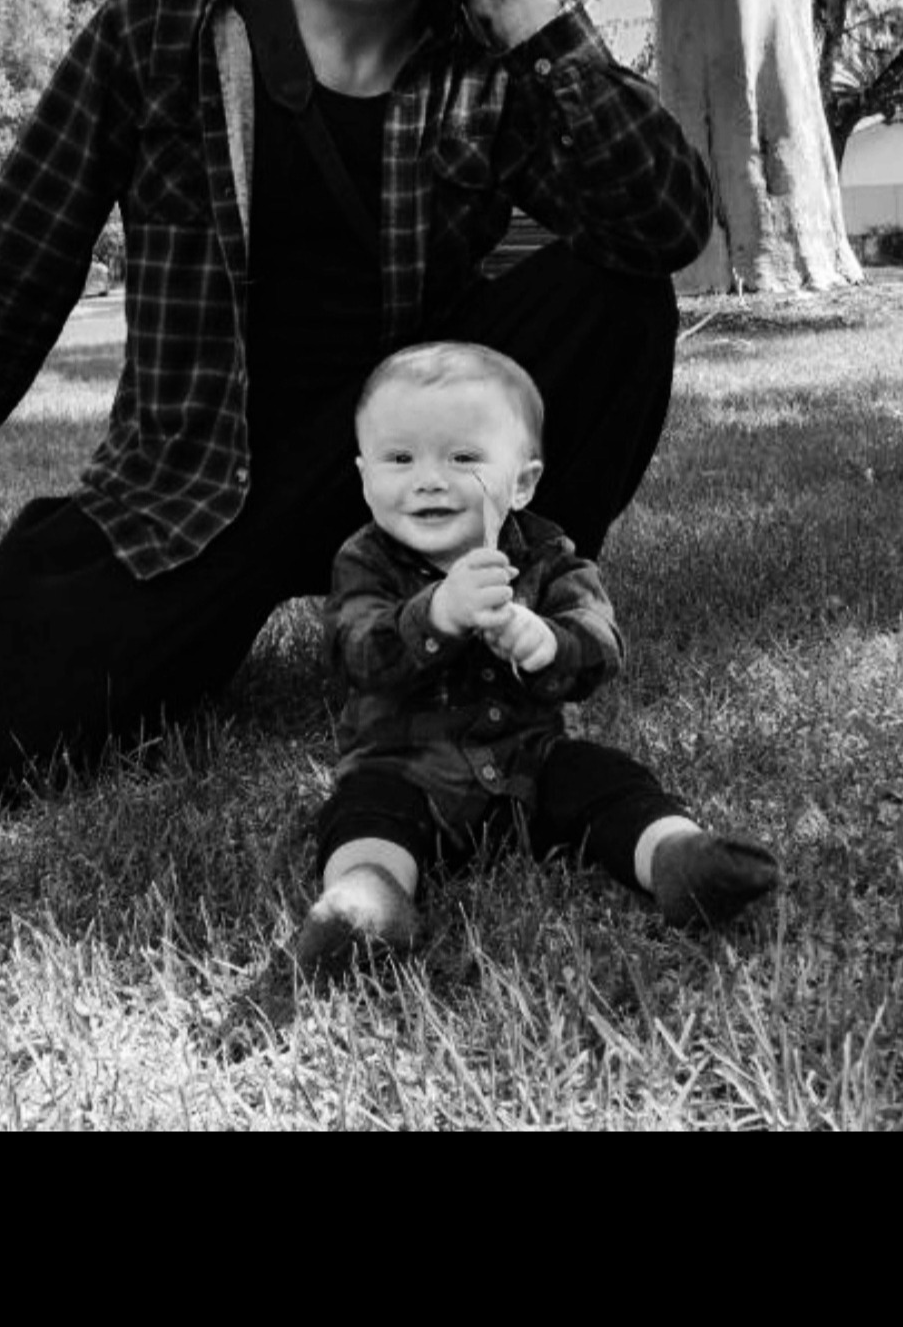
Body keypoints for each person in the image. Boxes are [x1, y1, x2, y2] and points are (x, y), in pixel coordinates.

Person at [0, 0, 715, 801]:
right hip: (202, 477)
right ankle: (66, 564)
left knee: (618, 290)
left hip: (407, 449)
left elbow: (667, 224)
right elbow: (23, 246)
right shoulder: (158, 28)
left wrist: (530, 9)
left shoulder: (486, 51)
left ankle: (501, 604)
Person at [297, 341, 778, 968]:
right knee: (364, 811)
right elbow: (354, 652)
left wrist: (548, 644)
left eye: (462, 457)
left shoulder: (548, 556)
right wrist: (436, 615)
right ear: (365, 479)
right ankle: (367, 903)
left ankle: (677, 857)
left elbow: (601, 643)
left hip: (529, 768)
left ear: (522, 482)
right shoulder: (365, 561)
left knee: (603, 777)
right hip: (404, 771)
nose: (428, 478)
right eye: (399, 458)